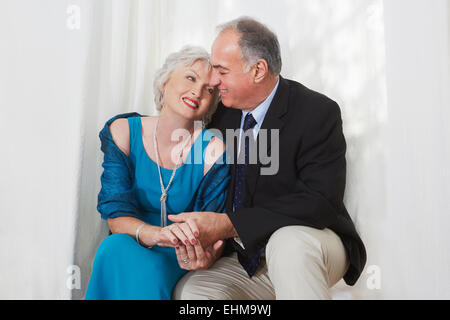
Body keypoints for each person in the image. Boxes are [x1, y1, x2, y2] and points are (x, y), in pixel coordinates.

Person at [171, 17, 367, 299]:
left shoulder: (317, 112)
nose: (213, 81)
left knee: (287, 244)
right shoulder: (221, 114)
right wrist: (209, 247)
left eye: (221, 70)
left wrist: (229, 225)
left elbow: (319, 201)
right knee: (191, 292)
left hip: (313, 242)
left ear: (258, 70)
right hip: (248, 256)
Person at [85, 46, 230, 300]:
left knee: (145, 267)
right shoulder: (124, 131)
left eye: (209, 90)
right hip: (131, 239)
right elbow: (116, 215)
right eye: (190, 77)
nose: (198, 91)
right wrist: (157, 235)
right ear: (165, 82)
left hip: (179, 254)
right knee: (112, 247)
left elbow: (211, 227)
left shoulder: (213, 150)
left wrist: (206, 255)